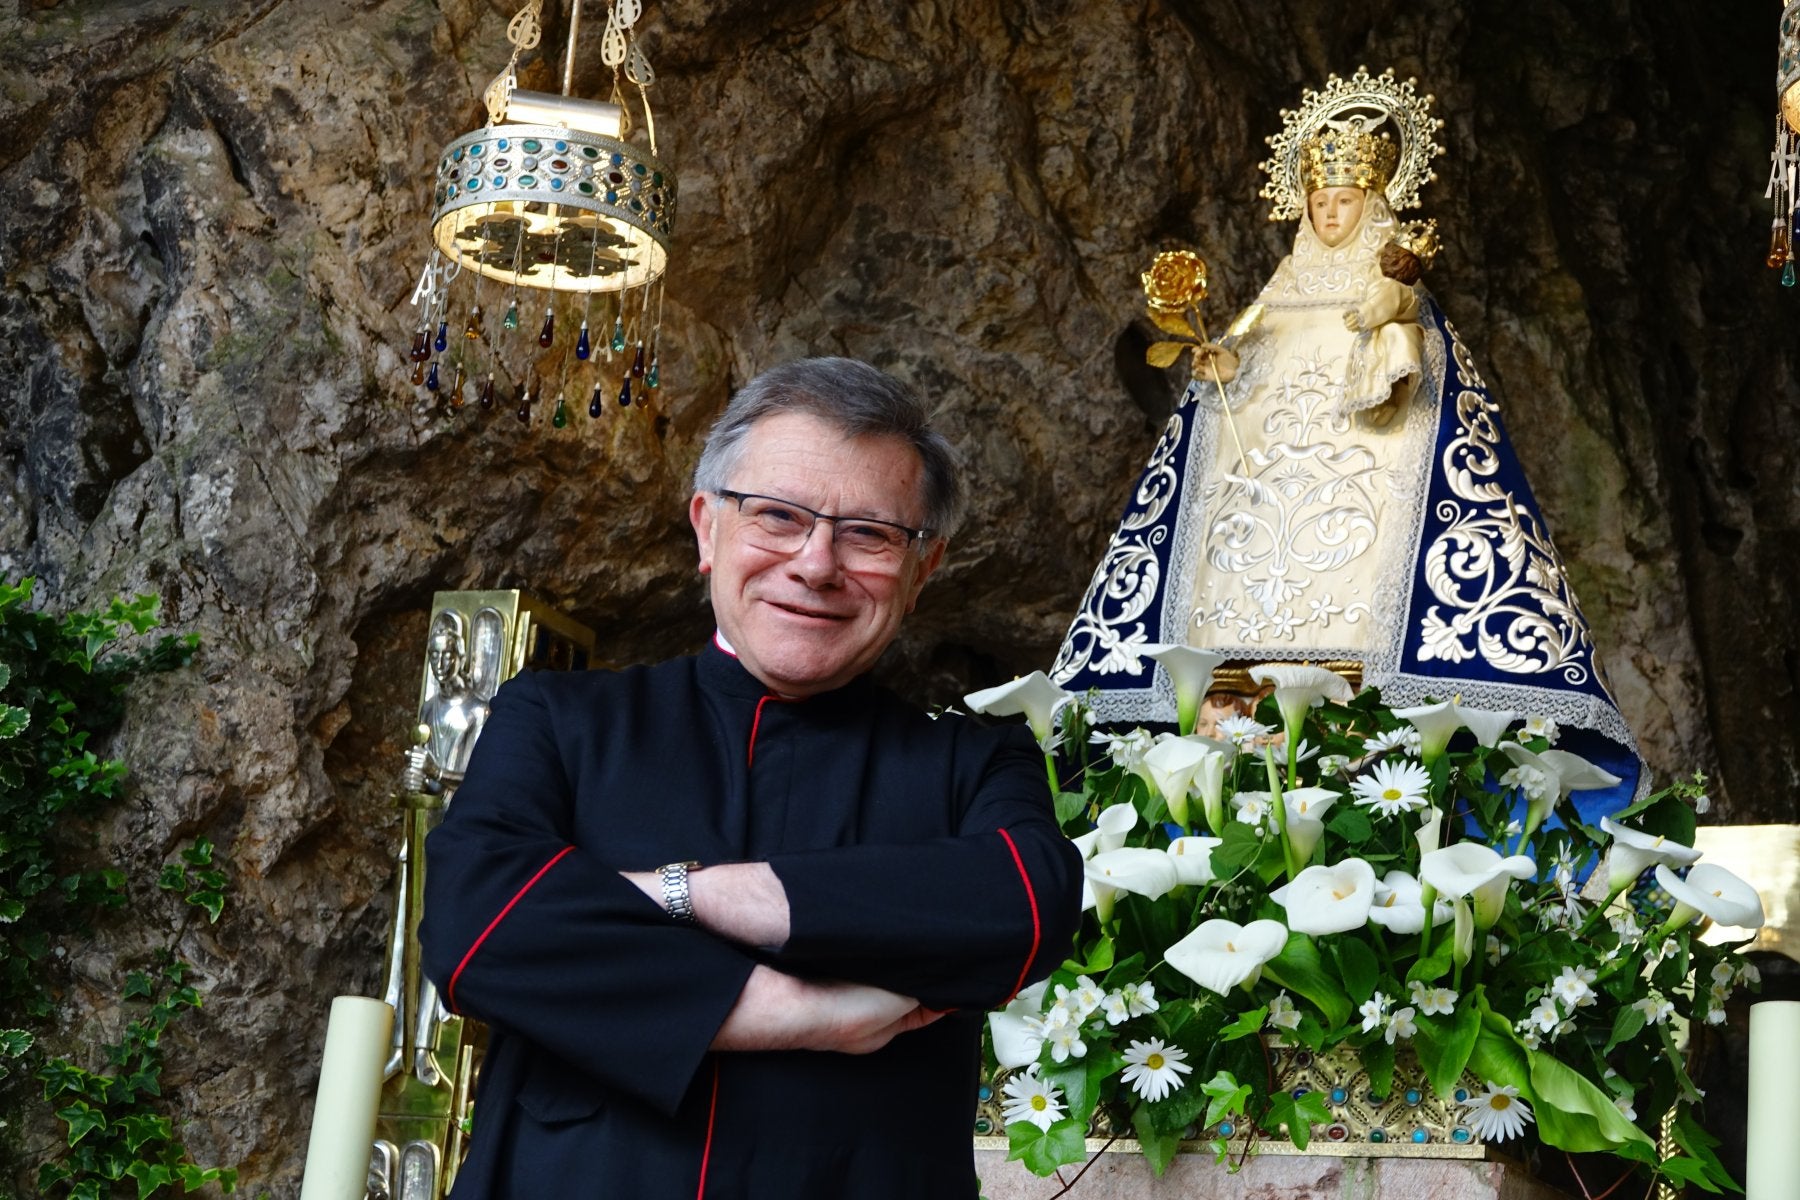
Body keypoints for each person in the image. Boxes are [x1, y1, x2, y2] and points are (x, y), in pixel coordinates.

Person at [418, 357, 1084, 1199]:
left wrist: (676, 893)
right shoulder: (561, 720)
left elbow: (1024, 905)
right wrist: (800, 1015)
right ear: (708, 529)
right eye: (777, 516)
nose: (816, 564)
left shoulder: (974, 762)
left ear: (924, 571)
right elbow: (475, 926)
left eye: (870, 534)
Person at [1053, 68, 1644, 808]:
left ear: (1373, 205)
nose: (1331, 215)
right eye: (1321, 203)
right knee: (1235, 549)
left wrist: (1392, 359)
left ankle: (1366, 689)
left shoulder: (1396, 296)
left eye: (1345, 202)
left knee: (1372, 552)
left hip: (1370, 464)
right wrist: (1218, 363)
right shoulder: (1280, 290)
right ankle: (1231, 686)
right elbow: (1244, 348)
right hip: (1261, 490)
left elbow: (1422, 378)